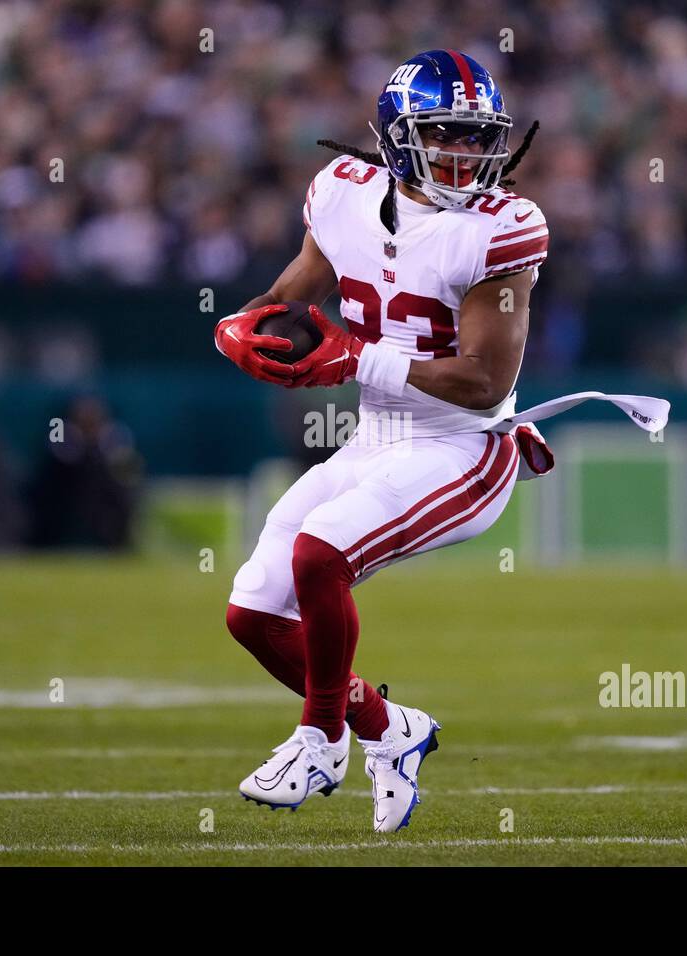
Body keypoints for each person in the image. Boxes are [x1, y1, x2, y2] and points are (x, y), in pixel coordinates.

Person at [213, 50, 554, 833]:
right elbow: (293, 294)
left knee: (319, 555)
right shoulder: (341, 194)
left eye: (477, 139)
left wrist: (358, 356)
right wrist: (246, 324)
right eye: (444, 136)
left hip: (466, 449)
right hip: (377, 439)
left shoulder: (502, 229)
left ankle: (320, 738)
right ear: (399, 137)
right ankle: (389, 731)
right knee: (253, 610)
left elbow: (484, 383)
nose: (464, 156)